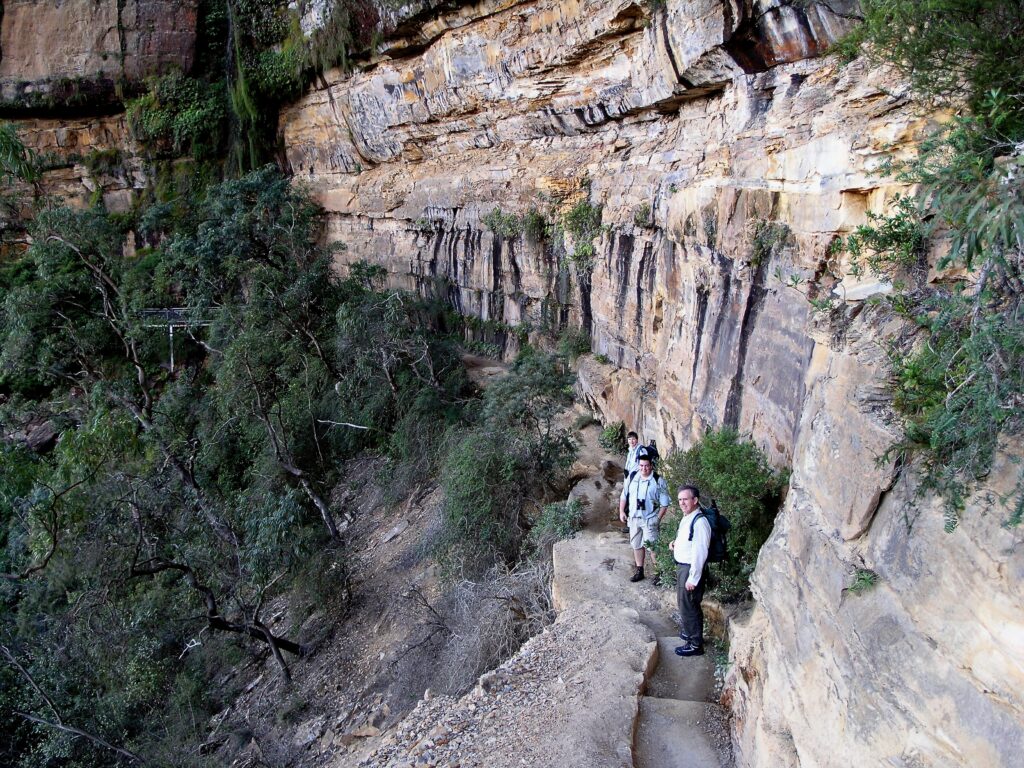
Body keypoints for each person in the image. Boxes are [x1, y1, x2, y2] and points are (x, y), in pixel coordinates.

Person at [669, 485, 710, 656]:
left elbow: (700, 552)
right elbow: (689, 541)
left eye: (685, 499)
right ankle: (691, 633)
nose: (682, 503)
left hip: (690, 570)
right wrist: (675, 545)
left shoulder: (700, 522)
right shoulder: (688, 517)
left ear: (695, 500)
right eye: (680, 500)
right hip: (684, 568)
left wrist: (693, 578)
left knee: (689, 607)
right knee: (687, 604)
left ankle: (695, 644)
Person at [618, 456, 670, 582]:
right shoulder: (632, 477)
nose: (644, 468)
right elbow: (624, 495)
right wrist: (621, 511)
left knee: (653, 547)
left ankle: (659, 573)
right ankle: (639, 570)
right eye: (641, 465)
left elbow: (664, 503)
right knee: (636, 544)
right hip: (634, 518)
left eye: (646, 465)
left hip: (650, 518)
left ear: (651, 465)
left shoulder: (658, 480)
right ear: (638, 465)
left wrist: (657, 519)